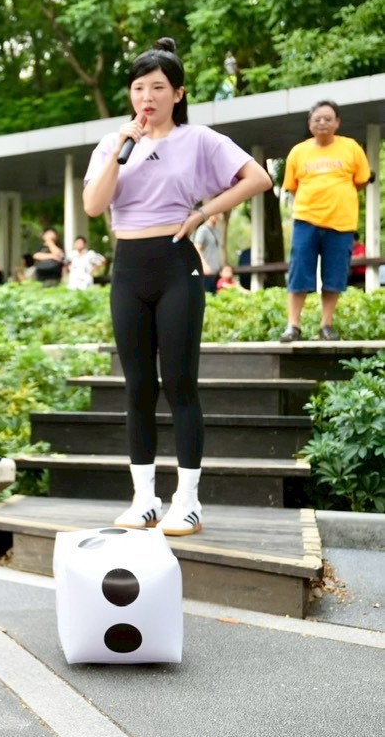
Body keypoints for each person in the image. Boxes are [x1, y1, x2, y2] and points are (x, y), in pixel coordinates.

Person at [82, 38, 270, 536]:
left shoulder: (199, 140)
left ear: (178, 93)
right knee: (138, 386)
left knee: (179, 383)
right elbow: (94, 206)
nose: (147, 97)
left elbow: (258, 178)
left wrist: (204, 212)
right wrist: (120, 151)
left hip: (175, 264)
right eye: (139, 88)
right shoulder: (112, 144)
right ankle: (144, 499)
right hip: (128, 269)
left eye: (158, 87)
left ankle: (187, 501)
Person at [280, 100, 371, 342]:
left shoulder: (351, 148)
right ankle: (293, 326)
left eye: (328, 119)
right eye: (317, 119)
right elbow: (292, 187)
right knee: (299, 273)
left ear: (337, 122)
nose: (322, 123)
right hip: (305, 221)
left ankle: (326, 325)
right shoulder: (298, 152)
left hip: (341, 223)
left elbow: (361, 180)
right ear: (309, 124)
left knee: (335, 275)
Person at [191, 213, 223, 294]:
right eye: (215, 213)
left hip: (215, 271)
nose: (217, 215)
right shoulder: (203, 229)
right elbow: (197, 248)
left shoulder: (216, 230)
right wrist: (204, 265)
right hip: (206, 272)